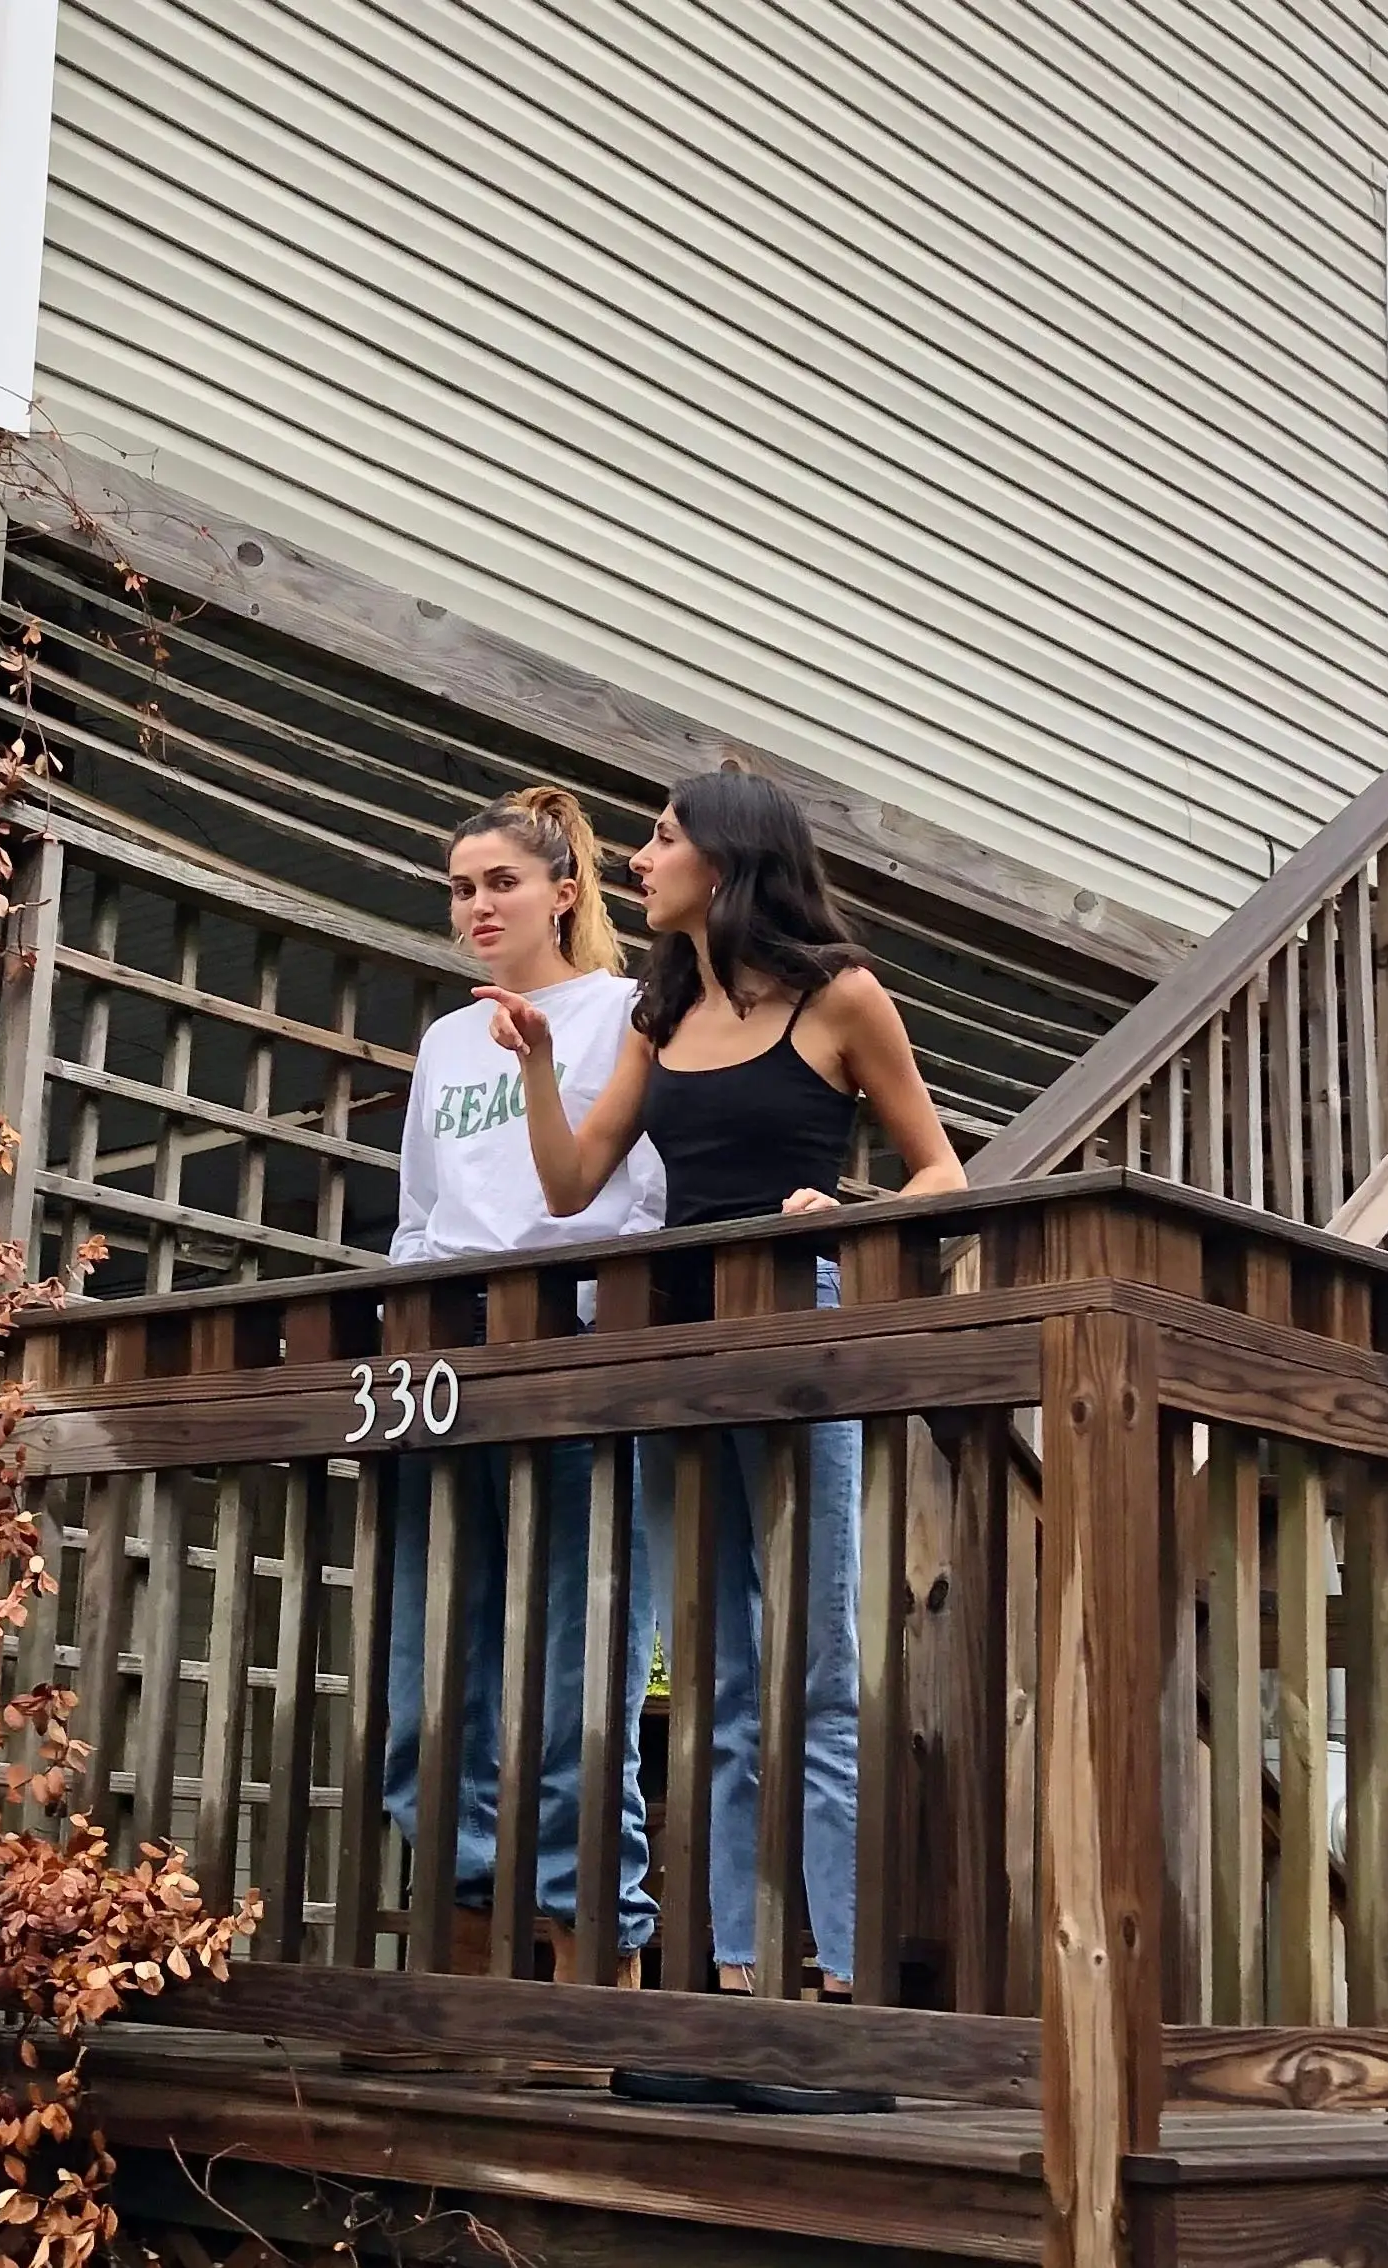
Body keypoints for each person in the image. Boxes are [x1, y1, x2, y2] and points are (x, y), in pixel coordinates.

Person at [476, 766, 964, 2015]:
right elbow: (572, 1186)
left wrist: (842, 1215)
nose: (640, 861)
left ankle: (842, 1983)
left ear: (729, 859)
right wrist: (539, 1064)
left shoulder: (841, 997)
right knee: (720, 1678)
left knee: (819, 1672)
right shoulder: (660, 1014)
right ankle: (746, 1985)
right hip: (679, 1360)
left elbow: (942, 1176)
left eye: (661, 839)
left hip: (799, 1339)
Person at [386, 786, 663, 1985]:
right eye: (461, 888)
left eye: (502, 882)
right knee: (430, 1675)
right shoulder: (447, 1042)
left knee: (578, 1678)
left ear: (564, 891)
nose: (478, 906)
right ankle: (462, 1941)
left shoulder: (623, 1013)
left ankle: (587, 1950)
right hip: (447, 1374)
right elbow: (419, 1215)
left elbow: (643, 1197)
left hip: (577, 1366)